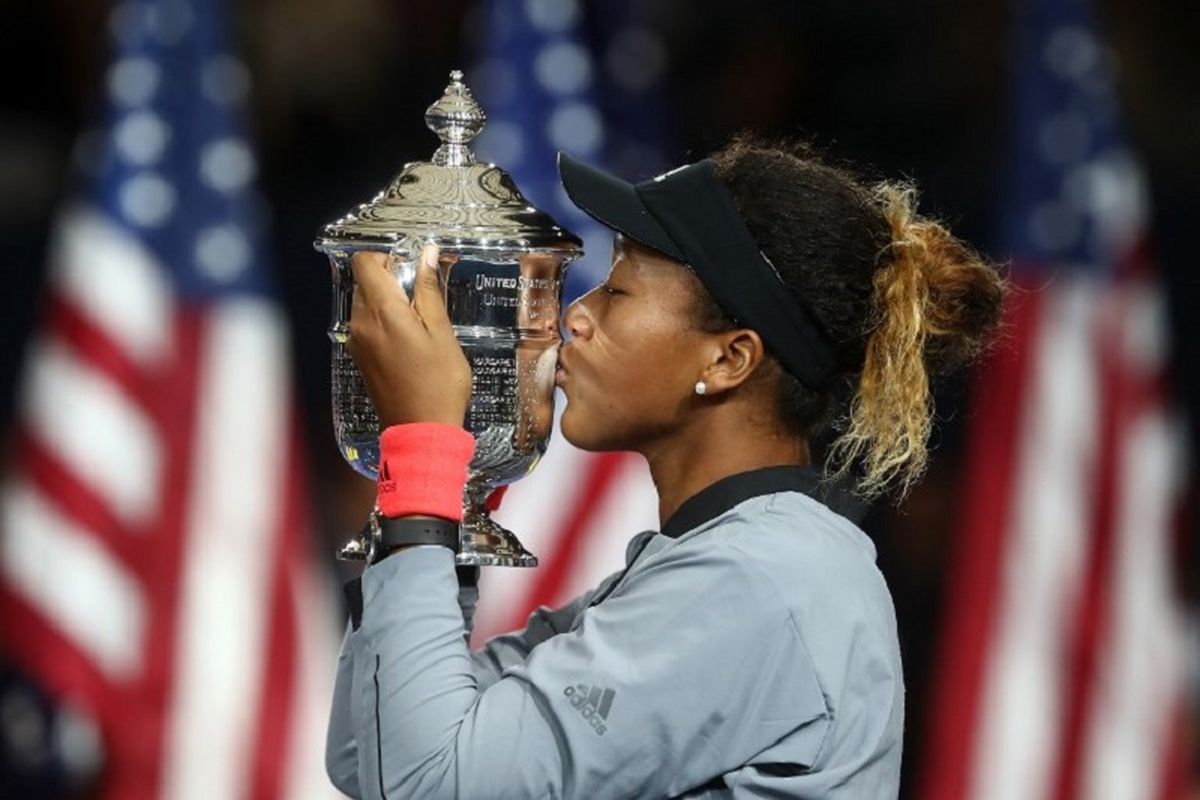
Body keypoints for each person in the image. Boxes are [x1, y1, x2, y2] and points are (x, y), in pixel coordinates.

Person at [326, 136, 1006, 799]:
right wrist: (458, 493)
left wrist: (424, 450)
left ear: (727, 359)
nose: (576, 318)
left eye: (617, 292)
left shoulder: (762, 579)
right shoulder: (718, 563)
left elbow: (424, 780)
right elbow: (371, 752)